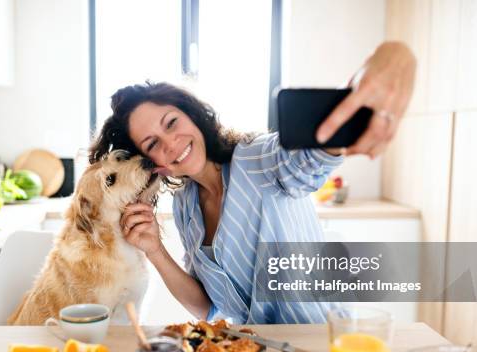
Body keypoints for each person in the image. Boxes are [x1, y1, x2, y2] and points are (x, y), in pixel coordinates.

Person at [88, 41, 416, 324]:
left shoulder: (262, 159)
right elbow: (207, 309)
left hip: (321, 348)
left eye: (172, 123)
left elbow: (312, 158)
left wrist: (392, 59)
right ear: (154, 165)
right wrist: (155, 250)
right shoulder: (186, 204)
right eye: (152, 144)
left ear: (193, 115)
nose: (170, 144)